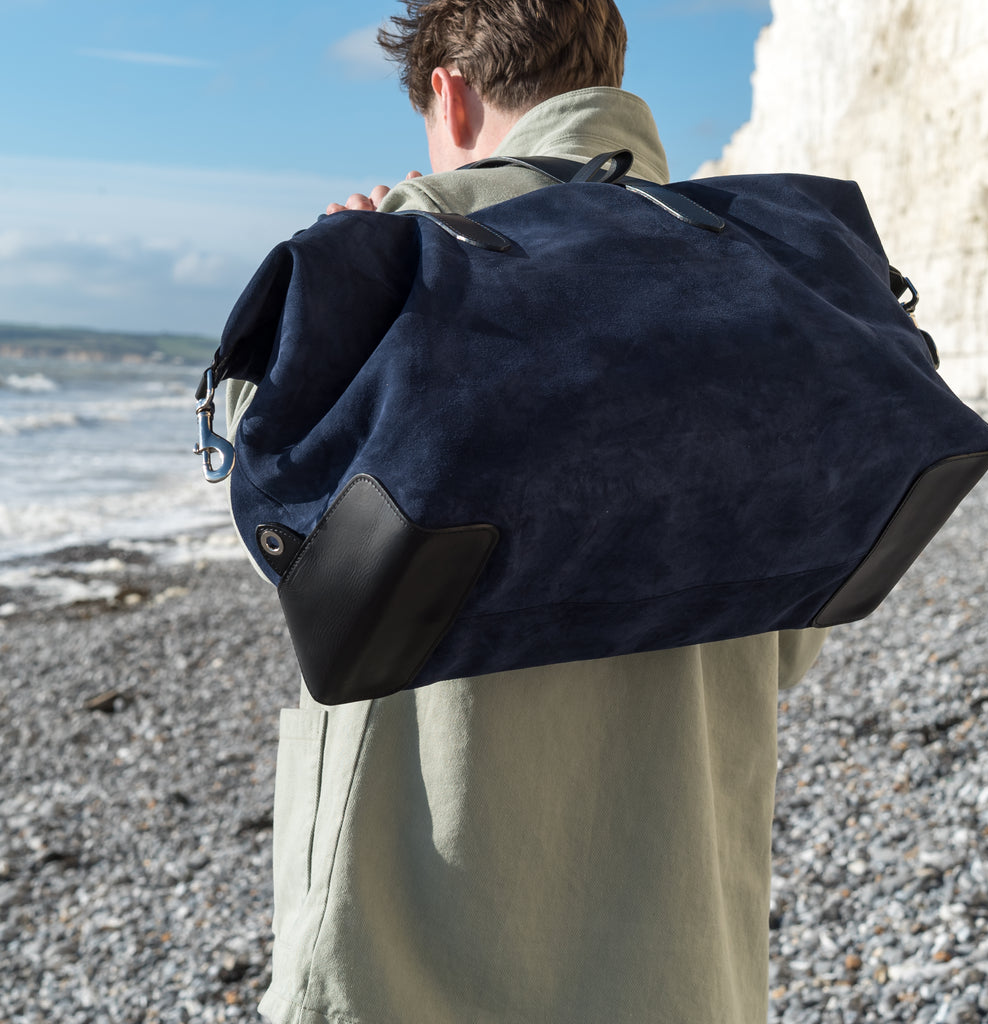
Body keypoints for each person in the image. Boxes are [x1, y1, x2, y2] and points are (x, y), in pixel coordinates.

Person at [231, 2, 827, 1022]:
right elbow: (793, 638)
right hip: (679, 947)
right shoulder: (761, 278)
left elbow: (277, 526)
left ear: (452, 94)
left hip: (420, 930)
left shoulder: (410, 244)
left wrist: (331, 282)